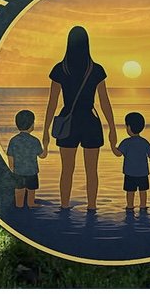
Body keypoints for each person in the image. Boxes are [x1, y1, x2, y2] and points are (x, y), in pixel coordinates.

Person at [41, 25, 118, 210]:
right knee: (92, 171)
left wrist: (45, 130)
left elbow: (52, 103)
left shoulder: (61, 69)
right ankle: (92, 208)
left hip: (68, 122)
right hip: (91, 122)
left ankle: (65, 207)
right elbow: (104, 102)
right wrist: (113, 129)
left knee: (66, 170)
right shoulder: (96, 69)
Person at [113, 111, 150, 211]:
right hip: (143, 173)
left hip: (129, 173)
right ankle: (143, 206)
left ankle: (130, 206)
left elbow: (118, 153)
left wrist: (112, 145)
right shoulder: (144, 142)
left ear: (128, 127)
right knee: (143, 191)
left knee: (130, 191)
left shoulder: (126, 142)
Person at [6, 109, 45, 207]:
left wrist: (12, 169)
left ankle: (19, 205)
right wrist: (46, 147)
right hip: (32, 172)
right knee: (31, 189)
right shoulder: (35, 141)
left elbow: (10, 156)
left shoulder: (13, 140)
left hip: (18, 172)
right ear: (32, 125)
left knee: (19, 189)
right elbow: (41, 155)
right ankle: (31, 203)